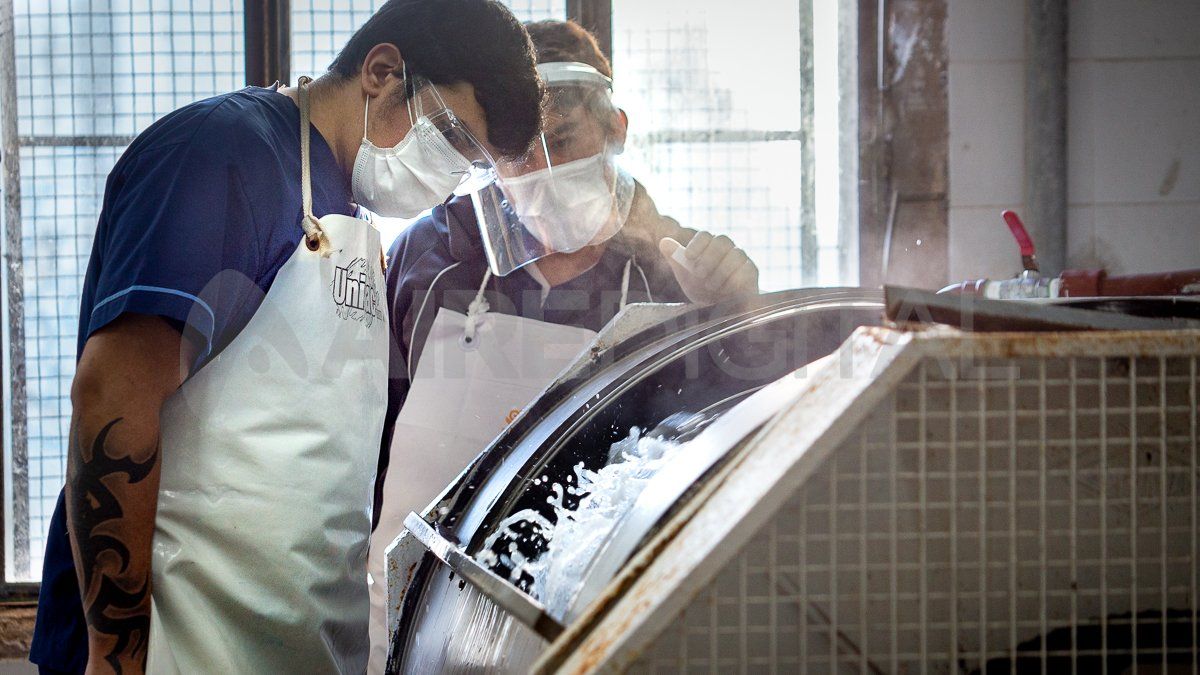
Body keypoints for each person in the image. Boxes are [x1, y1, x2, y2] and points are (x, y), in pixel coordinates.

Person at [30, 1, 544, 673]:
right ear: (383, 71)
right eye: (451, 139)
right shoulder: (223, 158)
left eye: (468, 166)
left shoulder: (351, 215)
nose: (447, 177)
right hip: (168, 646)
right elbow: (113, 396)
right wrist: (116, 653)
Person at [368, 19, 760, 669]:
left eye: (562, 139)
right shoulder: (429, 254)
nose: (539, 170)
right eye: (515, 152)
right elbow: (370, 437)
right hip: (416, 610)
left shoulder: (674, 270)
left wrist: (736, 311)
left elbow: (720, 459)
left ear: (616, 131)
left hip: (585, 627)